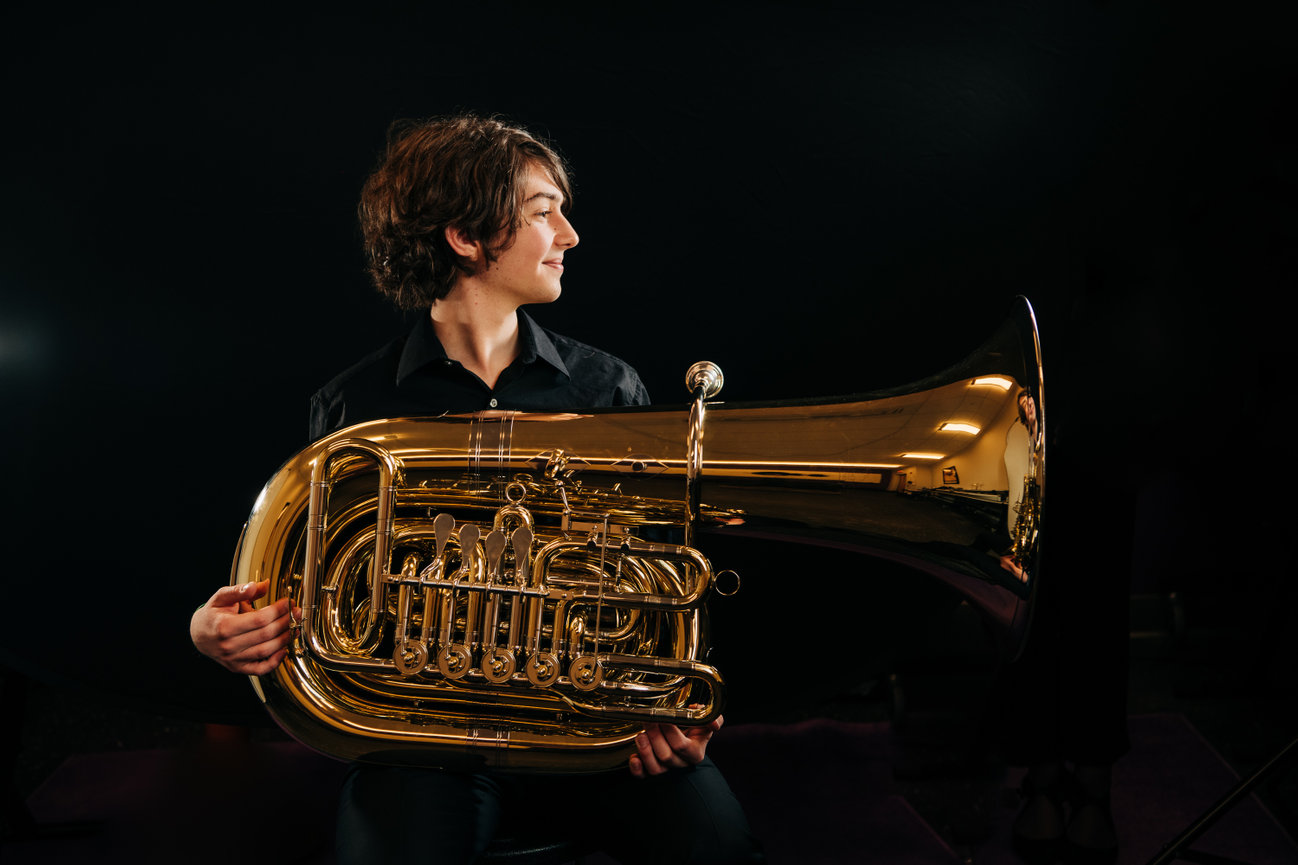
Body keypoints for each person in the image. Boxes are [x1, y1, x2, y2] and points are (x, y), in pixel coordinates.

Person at [189, 114, 764, 865]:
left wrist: (676, 716)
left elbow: (661, 582)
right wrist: (219, 628)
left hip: (593, 724)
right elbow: (307, 588)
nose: (569, 234)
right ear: (466, 235)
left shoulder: (607, 386)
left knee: (724, 849)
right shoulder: (354, 404)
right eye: (540, 212)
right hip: (423, 742)